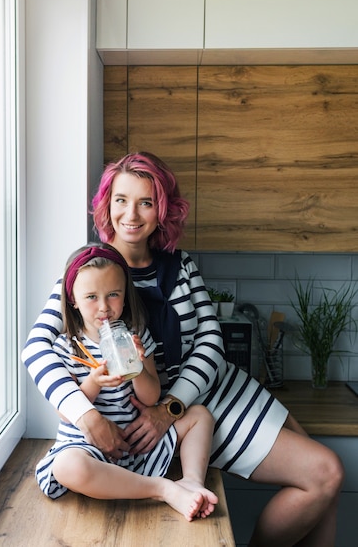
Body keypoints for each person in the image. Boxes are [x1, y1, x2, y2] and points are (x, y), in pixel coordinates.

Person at [23, 152, 344, 547]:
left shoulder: (181, 266)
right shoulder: (89, 272)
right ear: (107, 205)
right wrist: (86, 416)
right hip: (175, 409)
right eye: (121, 200)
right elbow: (36, 348)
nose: (132, 214)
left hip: (210, 391)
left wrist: (169, 408)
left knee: (328, 478)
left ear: (163, 209)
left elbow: (212, 342)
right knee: (325, 473)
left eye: (146, 201)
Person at [27, 242, 218, 522]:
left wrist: (138, 368)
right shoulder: (67, 347)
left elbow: (152, 397)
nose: (104, 307)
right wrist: (93, 383)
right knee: (67, 467)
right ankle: (161, 489)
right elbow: (64, 412)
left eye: (113, 295)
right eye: (91, 297)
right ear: (73, 301)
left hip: (135, 447)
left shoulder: (136, 336)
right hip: (86, 448)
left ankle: (190, 481)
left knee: (200, 415)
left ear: (125, 297)